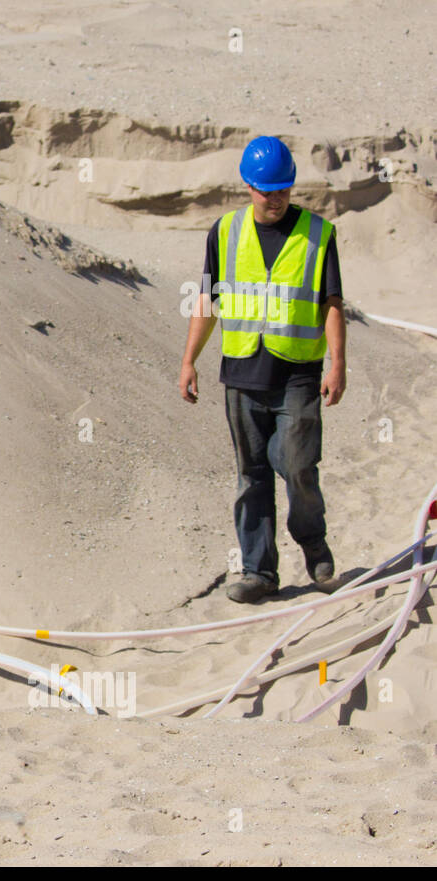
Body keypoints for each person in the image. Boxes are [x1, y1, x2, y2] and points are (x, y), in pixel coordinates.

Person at [178, 136, 345, 603]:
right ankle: (258, 572)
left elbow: (332, 304)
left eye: (283, 191)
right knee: (251, 476)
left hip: (298, 374)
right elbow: (207, 298)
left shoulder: (318, 234)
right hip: (242, 374)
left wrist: (338, 363)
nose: (275, 199)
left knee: (296, 464)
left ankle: (313, 543)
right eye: (266, 191)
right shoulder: (225, 232)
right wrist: (189, 359)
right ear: (249, 187)